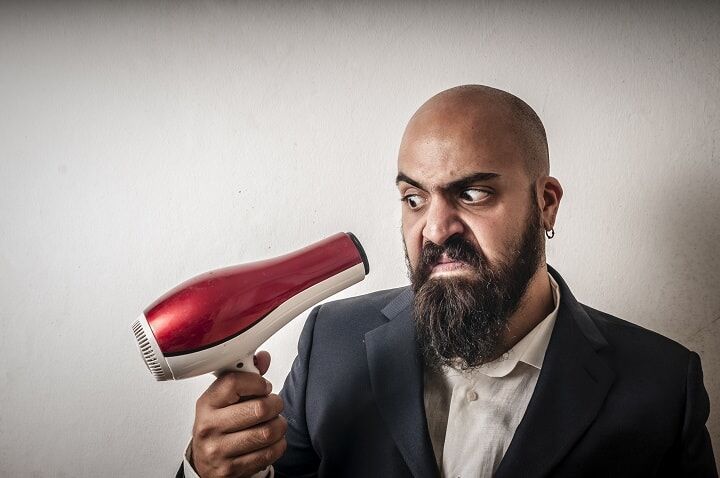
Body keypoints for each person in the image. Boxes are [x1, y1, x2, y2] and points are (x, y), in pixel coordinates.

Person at [179, 85, 717, 477]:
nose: (435, 229)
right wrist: (214, 471)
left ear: (546, 203)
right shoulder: (331, 345)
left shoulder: (663, 388)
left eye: (474, 194)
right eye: (414, 199)